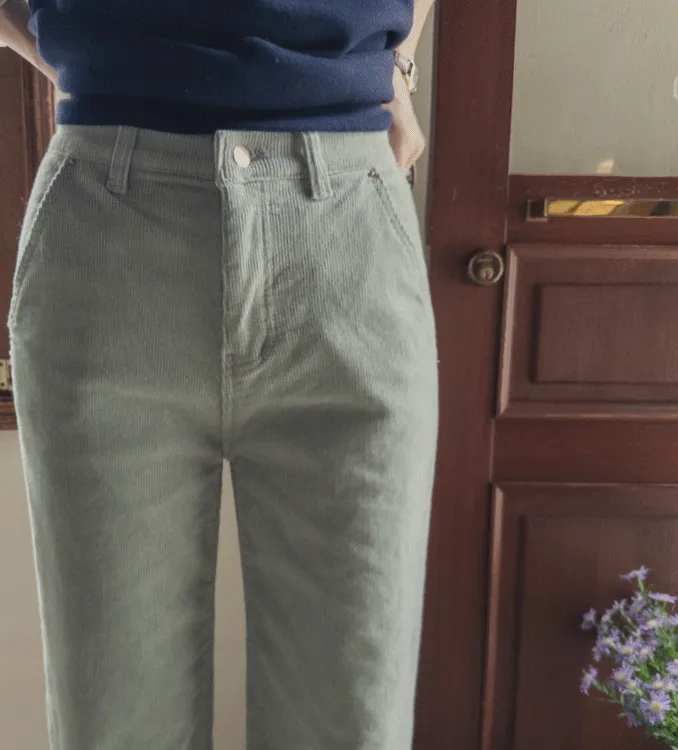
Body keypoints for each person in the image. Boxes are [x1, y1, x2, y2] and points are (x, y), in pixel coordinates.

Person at [0, 1, 439, 749]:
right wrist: (95, 59)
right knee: (116, 723)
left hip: (346, 235)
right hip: (112, 230)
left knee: (352, 721)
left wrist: (394, 63)